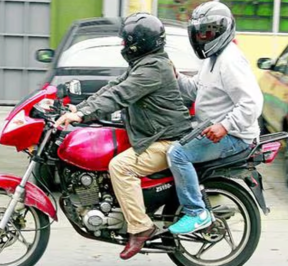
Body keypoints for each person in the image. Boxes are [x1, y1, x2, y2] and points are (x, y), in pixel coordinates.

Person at [55, 13, 192, 259]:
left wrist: (83, 115)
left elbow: (121, 95)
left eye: (126, 41)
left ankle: (140, 227)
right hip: (153, 136)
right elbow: (112, 88)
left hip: (166, 141)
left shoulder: (154, 69)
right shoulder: (145, 63)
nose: (123, 46)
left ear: (139, 43)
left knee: (120, 166)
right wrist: (80, 109)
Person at [167, 1, 264, 235]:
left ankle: (196, 212)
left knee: (177, 154)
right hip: (215, 129)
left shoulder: (230, 60)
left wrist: (225, 125)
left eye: (208, 32)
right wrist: (176, 76)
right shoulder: (212, 58)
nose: (202, 37)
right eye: (199, 33)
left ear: (222, 30)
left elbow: (252, 102)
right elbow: (196, 90)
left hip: (235, 137)